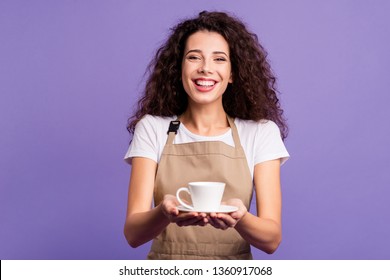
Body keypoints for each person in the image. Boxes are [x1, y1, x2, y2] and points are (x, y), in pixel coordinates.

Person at [123, 11, 289, 260]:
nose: (205, 69)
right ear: (178, 69)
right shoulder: (153, 128)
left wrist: (240, 218)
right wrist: (163, 213)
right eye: (193, 57)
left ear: (234, 73)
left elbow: (271, 239)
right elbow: (133, 234)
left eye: (219, 59)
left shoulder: (260, 132)